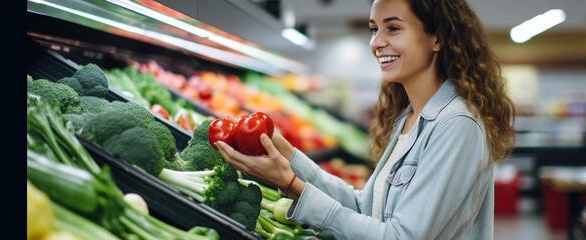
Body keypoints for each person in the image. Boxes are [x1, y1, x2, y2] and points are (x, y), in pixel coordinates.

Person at [214, 0, 515, 239]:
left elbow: (401, 237)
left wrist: (292, 185)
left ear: (437, 38)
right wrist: (289, 157)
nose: (376, 42)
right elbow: (364, 208)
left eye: (393, 28)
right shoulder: (408, 120)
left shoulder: (457, 125)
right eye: (374, 29)